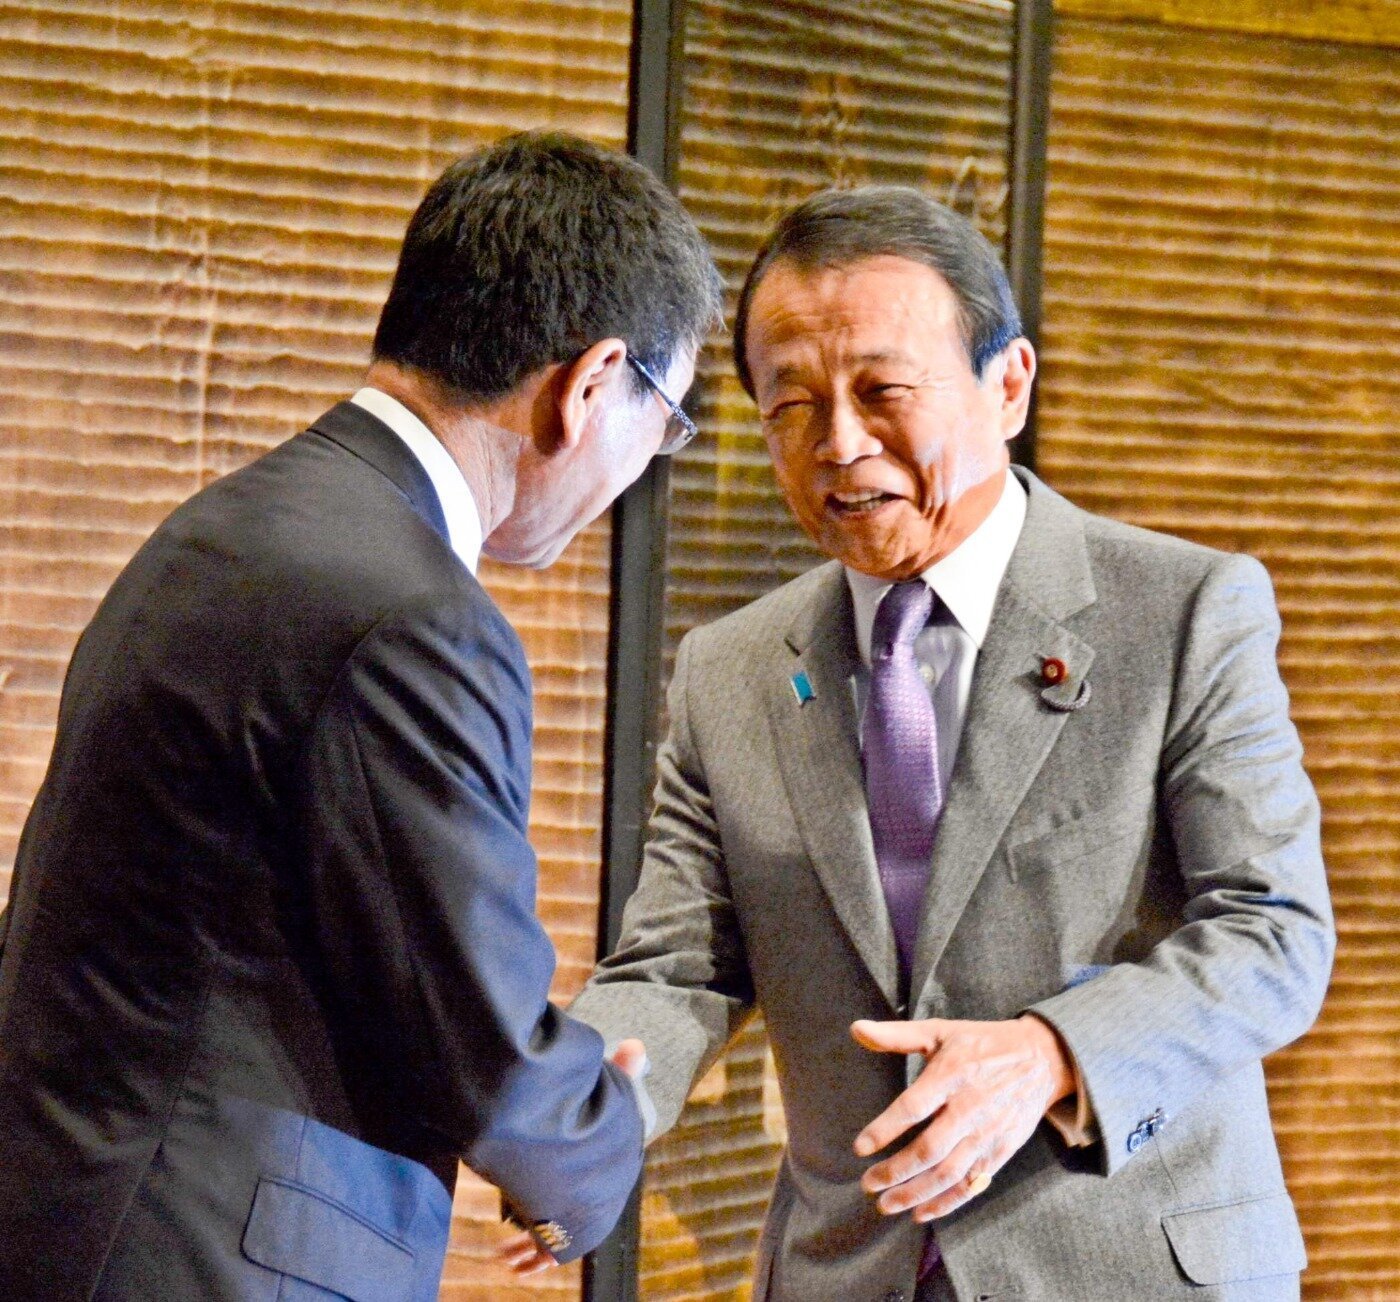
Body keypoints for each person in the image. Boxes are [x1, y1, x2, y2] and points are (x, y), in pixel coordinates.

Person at [546, 187, 1333, 1300]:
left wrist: (1052, 1053)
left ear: (1007, 386)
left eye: (883, 392)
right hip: (846, 1269)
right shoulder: (729, 669)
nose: (839, 444)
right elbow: (678, 966)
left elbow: (1273, 931)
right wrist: (577, 1118)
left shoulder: (1182, 610)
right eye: (791, 405)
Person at [0, 131, 722, 1301]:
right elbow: (477, 1035)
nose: (648, 462)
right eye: (667, 420)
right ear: (591, 385)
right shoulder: (413, 615)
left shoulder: (226, 528)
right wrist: (598, 1136)